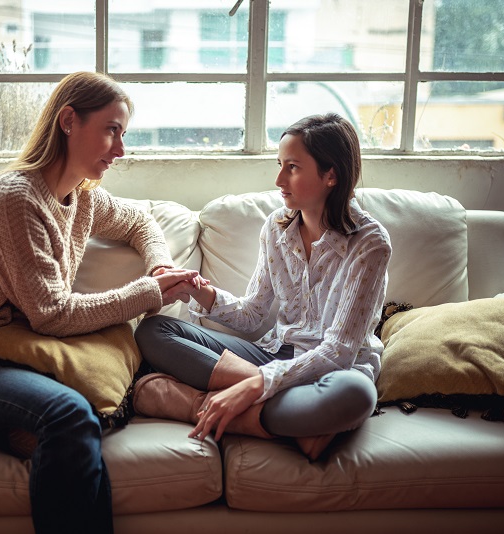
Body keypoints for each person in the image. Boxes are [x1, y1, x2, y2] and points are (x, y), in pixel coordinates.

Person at [0, 71, 198, 534]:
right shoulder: (17, 198)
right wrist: (150, 292)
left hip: (1, 354)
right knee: (68, 414)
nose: (120, 149)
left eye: (123, 134)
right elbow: (53, 315)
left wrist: (159, 265)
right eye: (111, 130)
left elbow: (141, 222)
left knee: (92, 401)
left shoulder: (79, 197)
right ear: (68, 121)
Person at [133, 113, 392, 461]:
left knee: (355, 397)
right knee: (154, 330)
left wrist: (257, 384)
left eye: (293, 167)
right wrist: (197, 290)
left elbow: (339, 352)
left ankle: (199, 404)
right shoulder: (276, 227)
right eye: (280, 165)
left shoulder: (370, 244)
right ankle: (288, 422)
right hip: (275, 354)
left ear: (332, 175)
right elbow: (253, 316)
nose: (279, 179)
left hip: (335, 372)